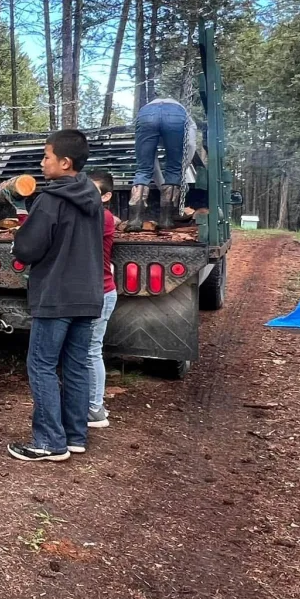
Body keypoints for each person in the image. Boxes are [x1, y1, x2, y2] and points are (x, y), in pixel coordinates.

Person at [8, 130, 103, 462]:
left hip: (55, 295)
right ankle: (75, 435)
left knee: (42, 365)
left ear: (65, 162)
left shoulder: (50, 200)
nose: (42, 162)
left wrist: (19, 236)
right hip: (89, 295)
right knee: (76, 366)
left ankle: (49, 441)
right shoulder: (91, 194)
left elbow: (28, 248)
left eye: (46, 156)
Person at [129, 97, 198, 231]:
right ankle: (166, 220)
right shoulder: (187, 119)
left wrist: (160, 183)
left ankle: (134, 220)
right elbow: (190, 144)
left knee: (143, 170)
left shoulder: (147, 120)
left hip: (146, 113)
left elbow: (149, 164)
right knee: (174, 169)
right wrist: (181, 169)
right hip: (176, 114)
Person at [87, 170, 118, 430]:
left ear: (106, 196)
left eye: (92, 190)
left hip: (101, 293)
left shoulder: (103, 217)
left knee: (91, 351)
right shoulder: (101, 216)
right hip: (91, 293)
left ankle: (95, 408)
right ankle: (91, 404)